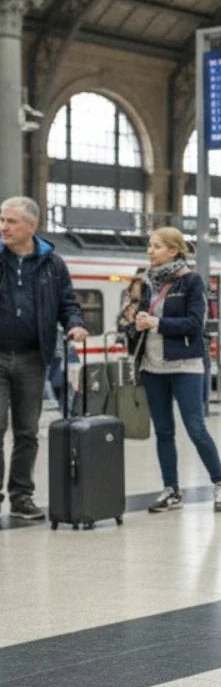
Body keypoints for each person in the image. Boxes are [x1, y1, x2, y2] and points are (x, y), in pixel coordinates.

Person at [0, 196, 87, 520]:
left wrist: (75, 324)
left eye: (10, 221)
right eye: (1, 220)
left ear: (31, 226)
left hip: (32, 358)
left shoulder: (53, 264)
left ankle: (21, 496)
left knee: (27, 431)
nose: (3, 227)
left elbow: (68, 303)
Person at [132, 227, 221, 513]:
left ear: (173, 251)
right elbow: (144, 321)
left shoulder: (192, 281)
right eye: (149, 246)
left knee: (196, 428)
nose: (150, 251)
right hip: (152, 366)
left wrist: (156, 323)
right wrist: (136, 323)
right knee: (163, 431)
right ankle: (171, 490)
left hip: (186, 365)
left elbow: (195, 324)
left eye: (156, 246)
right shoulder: (148, 282)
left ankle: (220, 483)